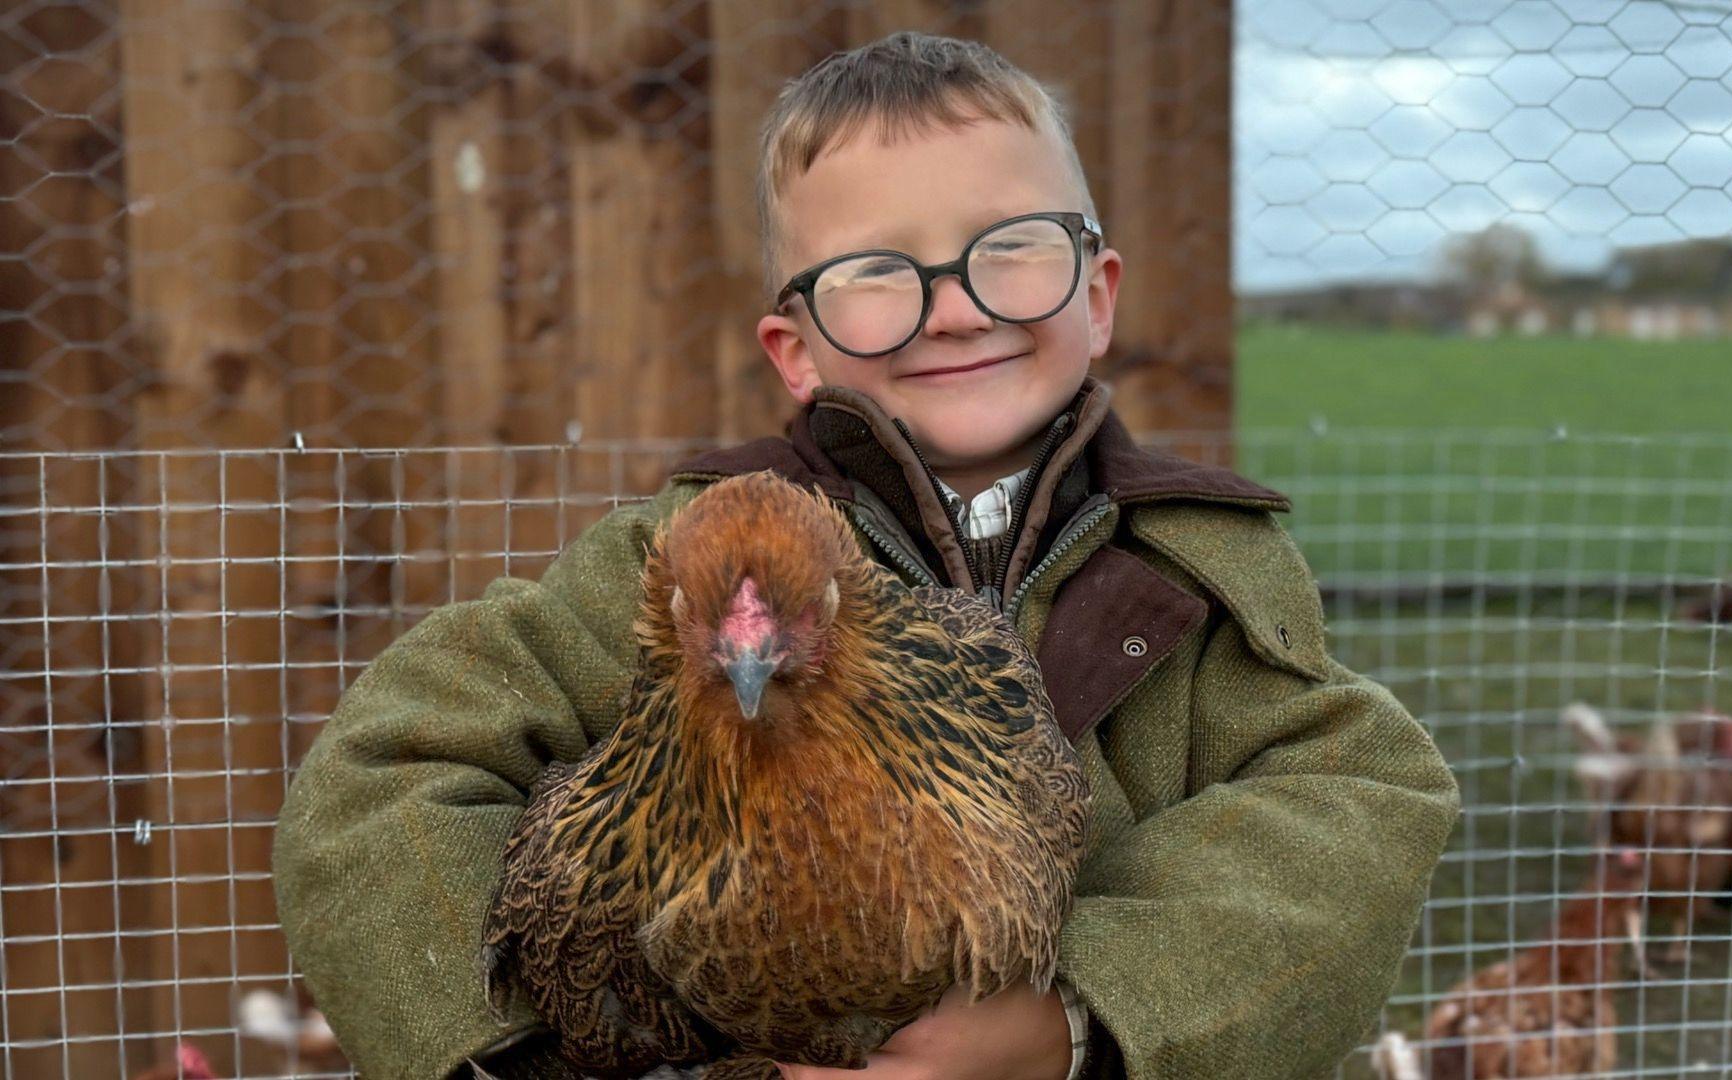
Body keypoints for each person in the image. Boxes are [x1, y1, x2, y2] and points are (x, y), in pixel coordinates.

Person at [273, 30, 1459, 1080]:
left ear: (1097, 295)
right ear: (795, 349)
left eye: (1011, 250)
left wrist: (1074, 1020)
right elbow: (383, 777)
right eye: (876, 275)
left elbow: (1354, 804)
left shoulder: (1199, 569)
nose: (953, 309)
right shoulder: (687, 560)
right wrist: (519, 1047)